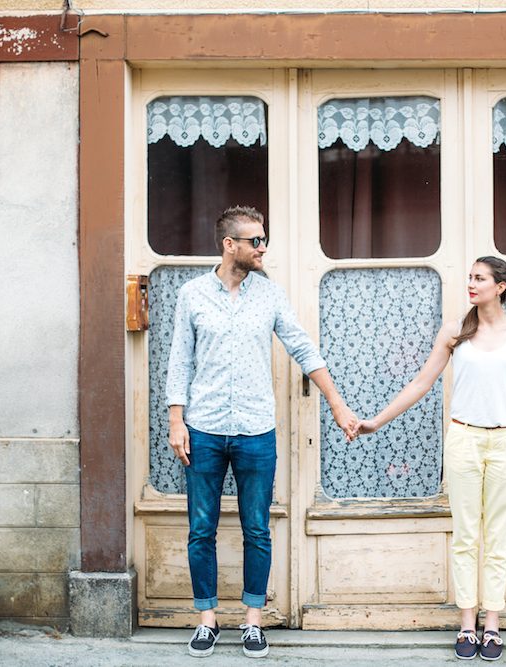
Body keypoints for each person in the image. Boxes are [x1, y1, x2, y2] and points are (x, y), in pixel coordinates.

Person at [167, 205, 357, 659]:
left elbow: (302, 346)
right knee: (200, 530)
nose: (263, 247)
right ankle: (207, 619)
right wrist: (177, 421)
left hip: (256, 430)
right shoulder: (192, 295)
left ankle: (252, 620)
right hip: (205, 429)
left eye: (263, 239)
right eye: (256, 241)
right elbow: (180, 360)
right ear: (230, 244)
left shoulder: (269, 296)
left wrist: (337, 403)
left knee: (257, 529)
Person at [355, 256, 506, 662]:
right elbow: (422, 382)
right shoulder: (456, 332)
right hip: (464, 439)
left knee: (498, 537)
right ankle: (467, 623)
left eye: (479, 279)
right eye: (469, 277)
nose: (471, 284)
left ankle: (492, 625)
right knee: (467, 535)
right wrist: (377, 421)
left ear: (501, 286)